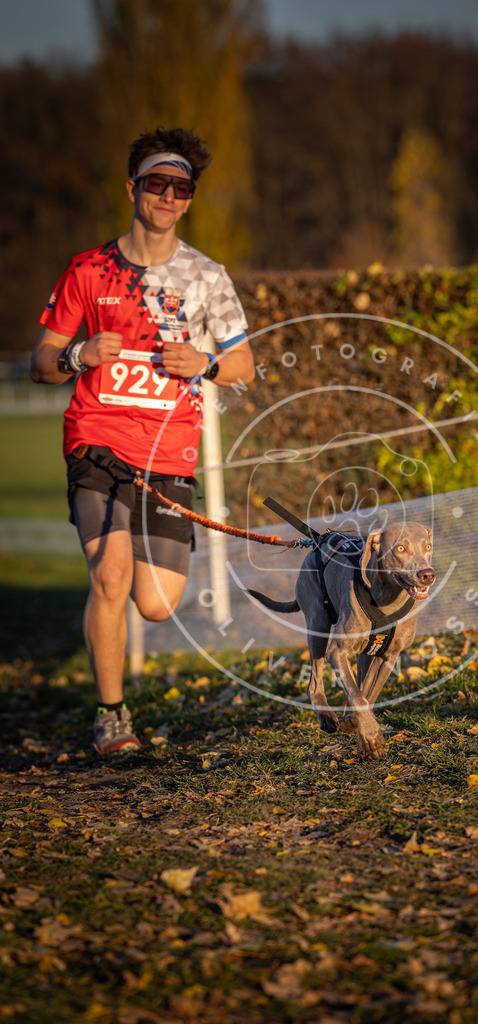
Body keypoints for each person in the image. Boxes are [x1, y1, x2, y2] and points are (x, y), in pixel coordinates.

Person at [30, 126, 255, 755]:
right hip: (96, 440)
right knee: (110, 574)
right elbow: (40, 362)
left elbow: (245, 367)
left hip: (167, 452)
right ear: (133, 188)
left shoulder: (207, 277)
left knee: (156, 604)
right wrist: (78, 353)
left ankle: (115, 680)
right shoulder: (88, 269)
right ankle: (111, 718)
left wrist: (205, 365)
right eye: (156, 183)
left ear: (189, 199)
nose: (167, 196)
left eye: (180, 188)